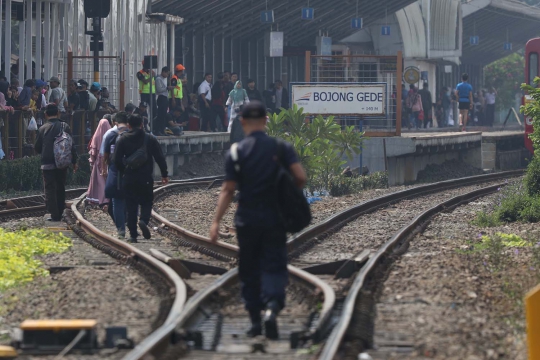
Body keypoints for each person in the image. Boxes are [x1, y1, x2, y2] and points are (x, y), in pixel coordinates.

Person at [210, 101, 306, 340]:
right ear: (266, 121)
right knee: (274, 264)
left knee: (249, 268)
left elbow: (228, 190)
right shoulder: (282, 148)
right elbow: (300, 177)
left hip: (247, 219)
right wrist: (287, 195)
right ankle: (272, 308)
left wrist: (216, 222)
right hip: (275, 217)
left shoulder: (236, 152)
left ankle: (255, 321)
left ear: (242, 123)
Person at [114, 114, 169, 243]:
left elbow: (116, 160)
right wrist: (164, 174)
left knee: (131, 206)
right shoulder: (149, 139)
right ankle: (143, 220)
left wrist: (124, 171)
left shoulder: (122, 139)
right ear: (142, 124)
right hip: (145, 178)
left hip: (129, 177)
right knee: (146, 202)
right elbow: (160, 157)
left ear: (128, 125)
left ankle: (133, 235)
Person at [34, 104, 78, 221]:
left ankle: (54, 214)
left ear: (45, 114)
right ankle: (61, 210)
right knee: (60, 186)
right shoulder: (65, 126)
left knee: (49, 188)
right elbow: (71, 145)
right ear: (58, 113)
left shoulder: (42, 129)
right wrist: (74, 161)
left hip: (47, 163)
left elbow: (37, 147)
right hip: (62, 162)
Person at [102, 111, 130, 238]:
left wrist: (105, 168)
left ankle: (121, 229)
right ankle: (133, 226)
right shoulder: (134, 134)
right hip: (132, 171)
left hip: (115, 171)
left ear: (114, 123)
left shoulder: (111, 135)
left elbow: (105, 155)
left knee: (117, 200)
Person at [87, 118, 111, 206]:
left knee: (99, 182)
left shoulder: (96, 136)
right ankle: (109, 198)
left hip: (98, 162)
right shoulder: (111, 134)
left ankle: (100, 199)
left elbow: (93, 150)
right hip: (109, 160)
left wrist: (92, 161)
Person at [155, 66, 172, 136]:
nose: (167, 75)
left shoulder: (163, 79)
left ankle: (162, 130)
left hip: (165, 98)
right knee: (160, 115)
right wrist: (167, 88)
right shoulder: (158, 79)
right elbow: (159, 89)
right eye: (167, 74)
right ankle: (158, 130)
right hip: (161, 98)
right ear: (163, 72)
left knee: (164, 115)